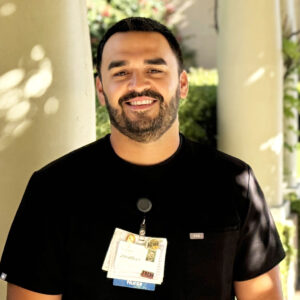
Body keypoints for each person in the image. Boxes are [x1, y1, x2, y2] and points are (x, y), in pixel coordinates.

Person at [0, 17, 285, 300]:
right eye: (121, 73)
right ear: (101, 90)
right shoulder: (52, 190)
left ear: (182, 84)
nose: (138, 84)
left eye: (155, 70)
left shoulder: (232, 184)